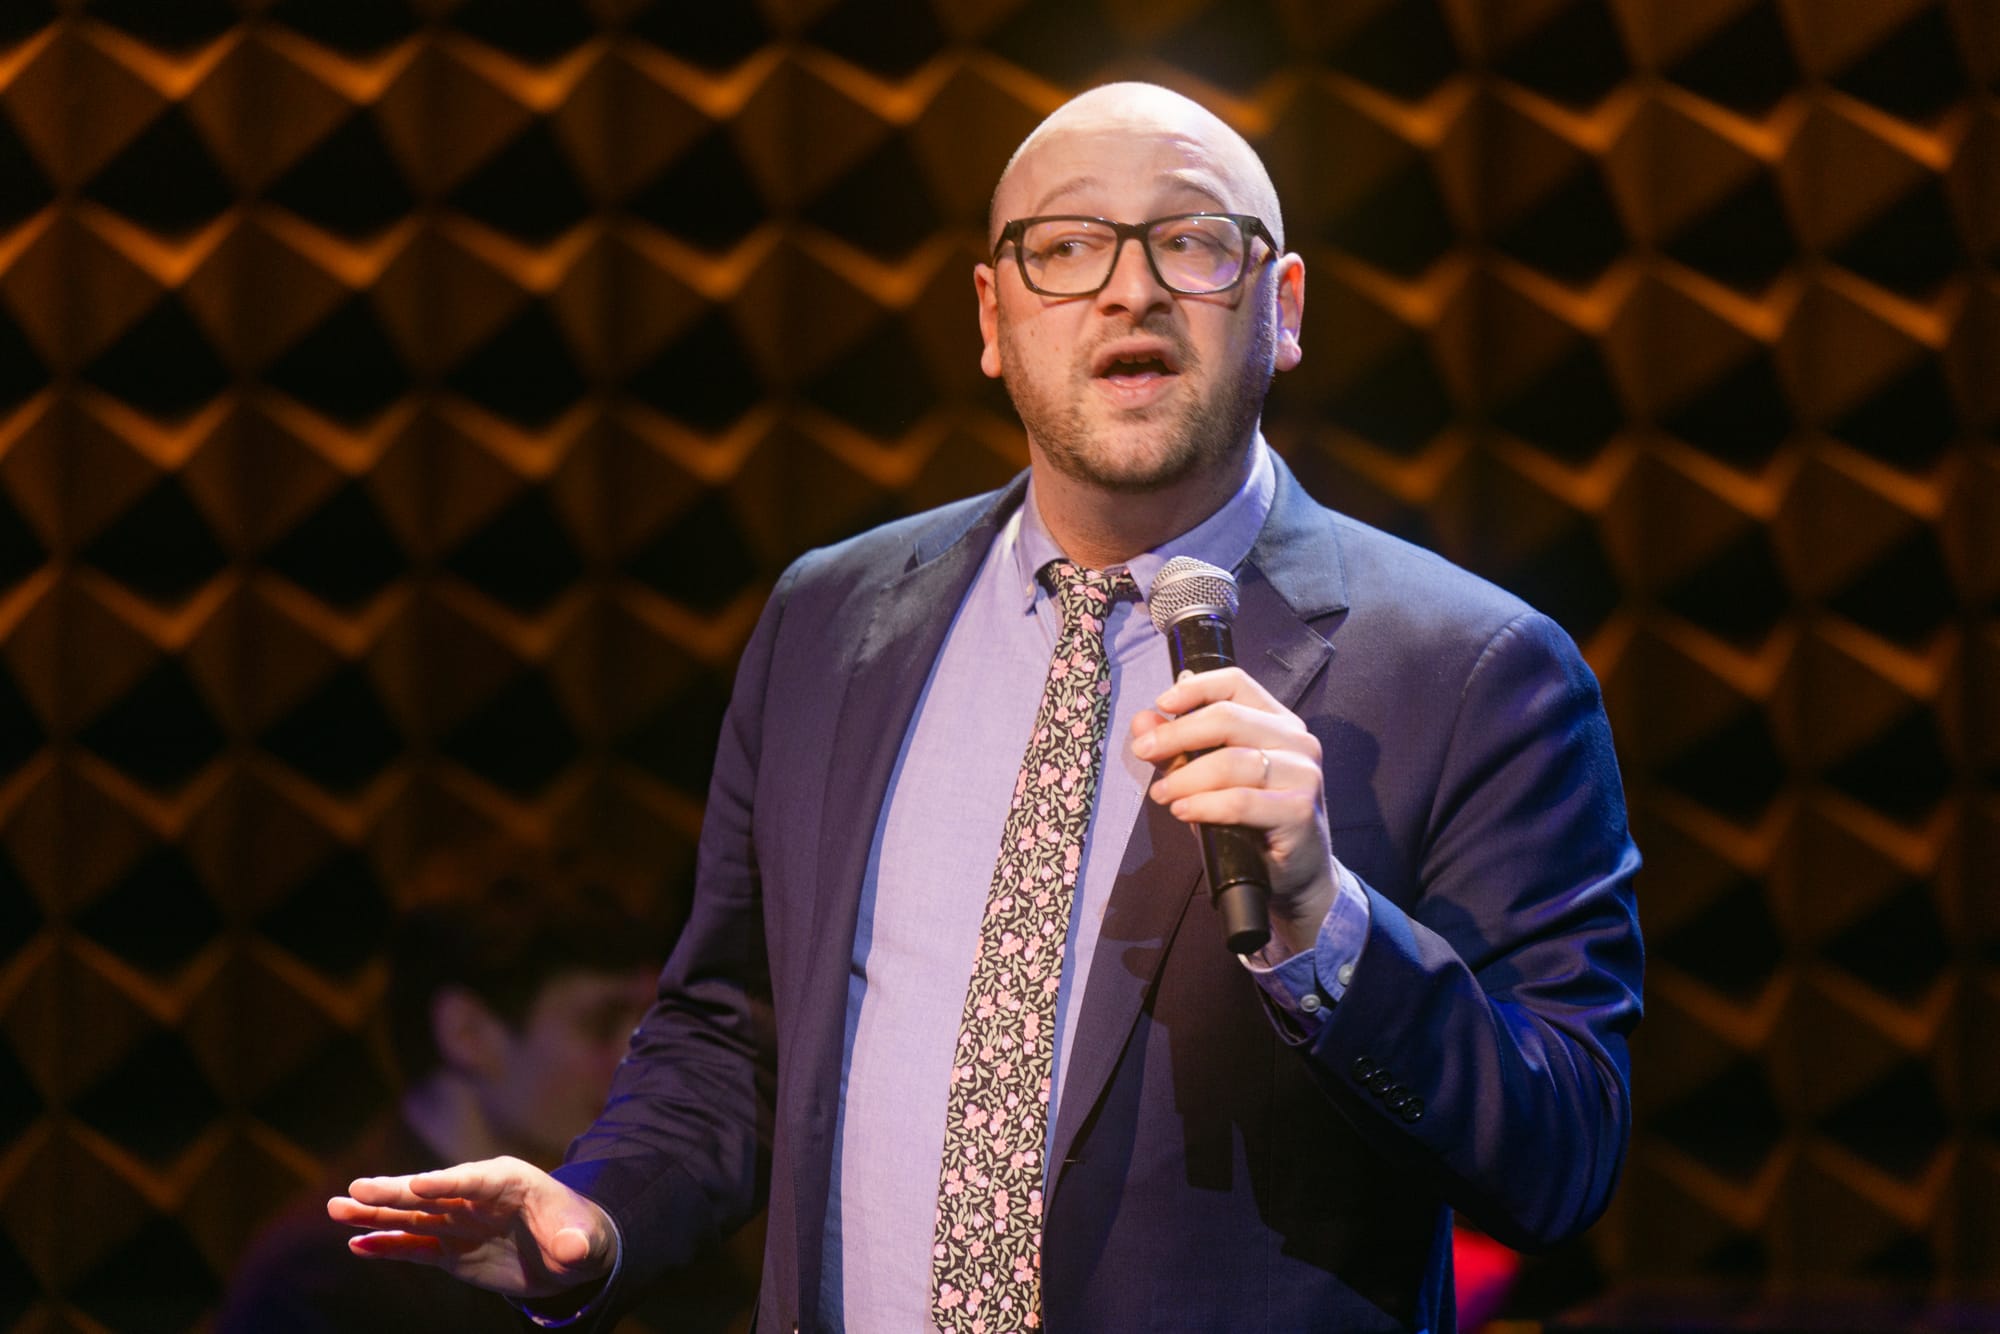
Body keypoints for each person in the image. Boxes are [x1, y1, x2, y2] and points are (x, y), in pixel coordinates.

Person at [330, 82, 1644, 1334]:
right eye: (1065, 245)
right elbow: (734, 1028)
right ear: (991, 314)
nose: (1130, 286)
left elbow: (1561, 1152)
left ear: (1283, 306)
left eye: (1192, 241)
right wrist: (602, 1216)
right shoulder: (831, 620)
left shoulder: (1478, 673)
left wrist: (1325, 919)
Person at [218, 846, 664, 1332]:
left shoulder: (583, 1226)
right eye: (603, 1024)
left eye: (647, 1024)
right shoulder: (322, 1276)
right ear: (466, 1033)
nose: (636, 1059)